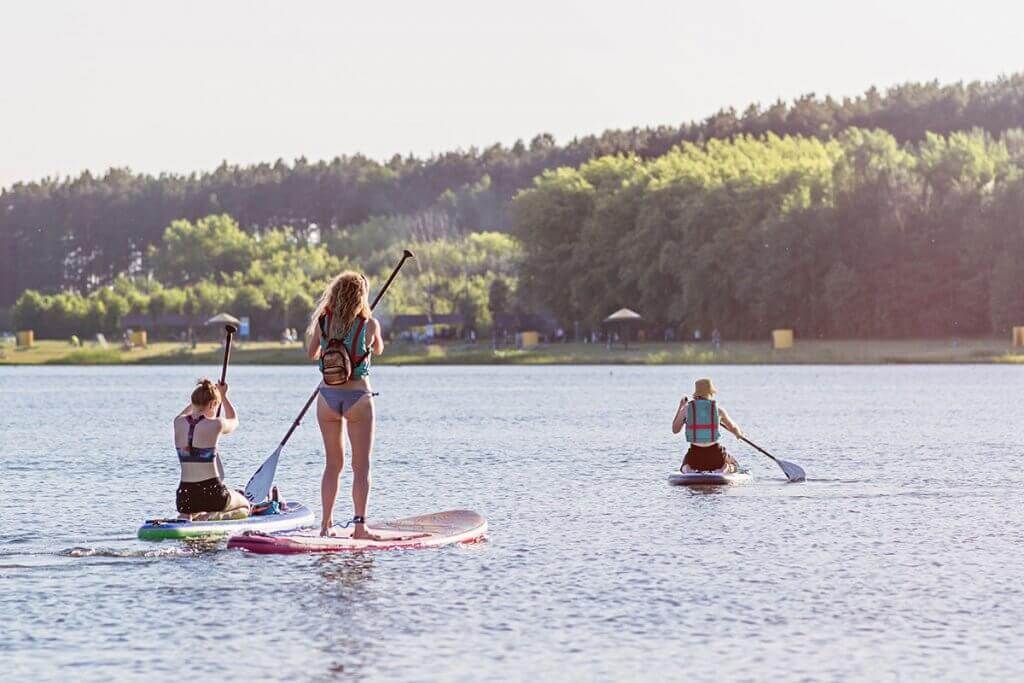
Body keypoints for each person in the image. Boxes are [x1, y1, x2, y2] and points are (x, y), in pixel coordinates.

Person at [306, 272, 385, 539]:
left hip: (327, 398)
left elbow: (312, 353)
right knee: (360, 466)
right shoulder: (369, 324)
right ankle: (360, 527)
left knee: (332, 464)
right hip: (358, 398)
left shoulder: (323, 322)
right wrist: (367, 329)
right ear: (361, 297)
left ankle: (325, 526)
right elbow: (379, 349)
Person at [173, 379, 250, 518]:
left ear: (194, 402)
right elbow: (234, 420)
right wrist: (223, 395)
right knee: (245, 505)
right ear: (213, 404)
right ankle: (212, 516)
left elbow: (193, 409)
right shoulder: (217, 424)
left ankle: (186, 518)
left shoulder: (178, 422)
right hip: (213, 494)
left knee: (188, 511)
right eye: (216, 405)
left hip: (185, 496)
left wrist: (204, 397)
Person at [672, 378, 743, 472]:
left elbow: (675, 429)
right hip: (716, 456)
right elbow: (733, 427)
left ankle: (687, 469)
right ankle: (725, 468)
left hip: (695, 456)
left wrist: (681, 407)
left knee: (684, 464)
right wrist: (739, 434)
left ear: (696, 394)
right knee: (735, 464)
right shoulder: (718, 410)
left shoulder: (686, 409)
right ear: (711, 393)